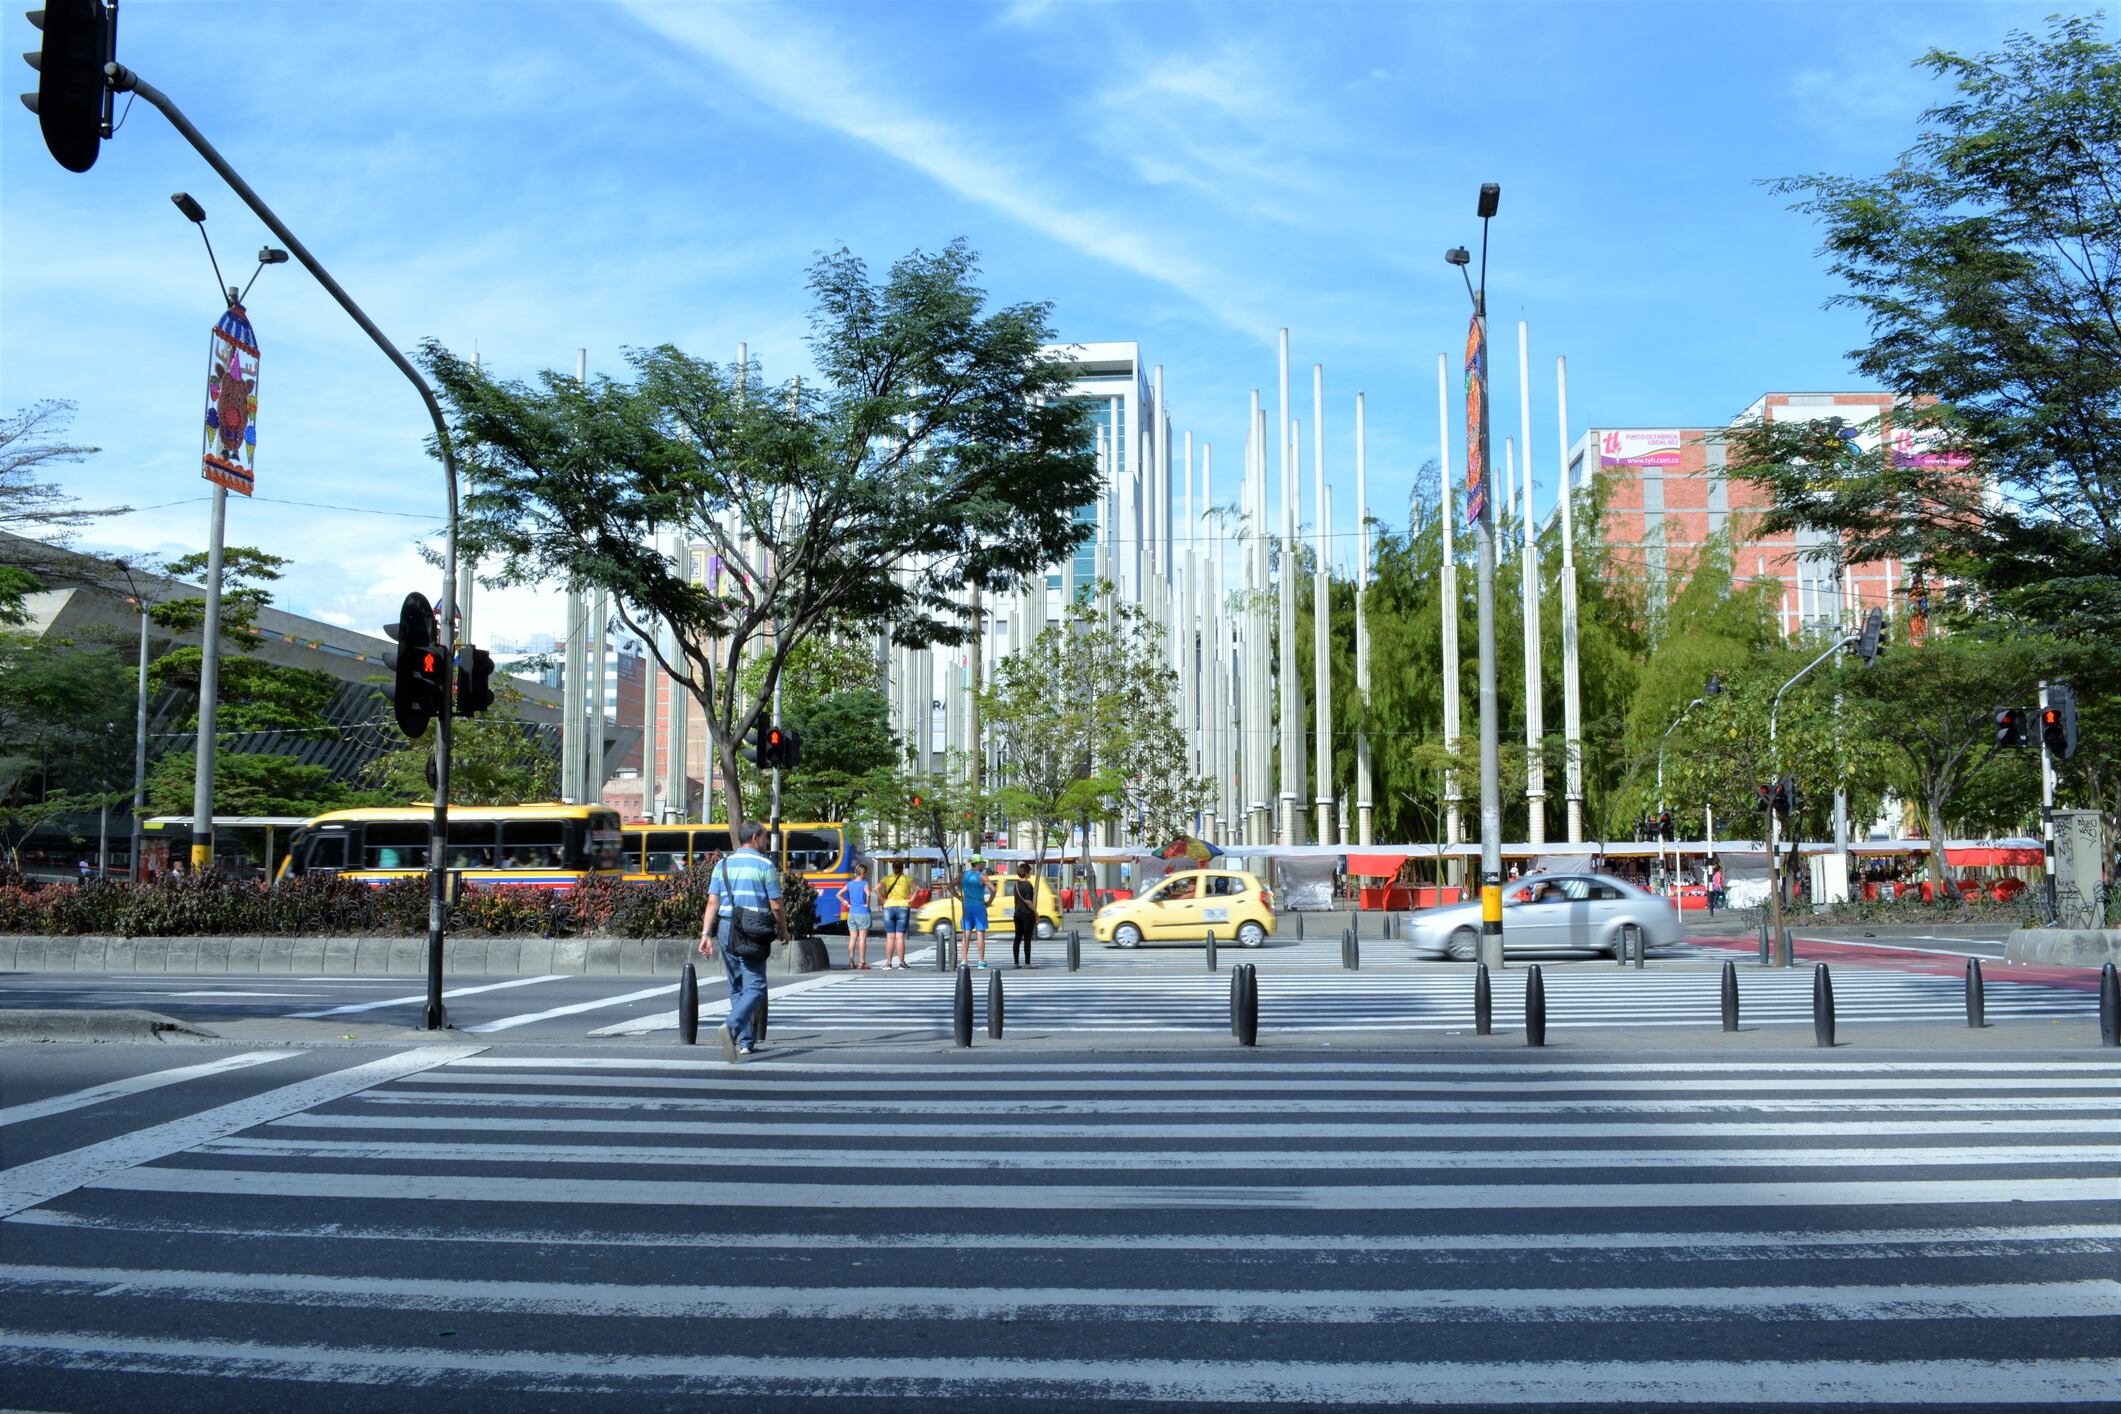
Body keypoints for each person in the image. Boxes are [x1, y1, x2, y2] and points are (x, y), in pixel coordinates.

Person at [698, 819, 787, 1061]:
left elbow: (712, 902)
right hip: (753, 928)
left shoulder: (723, 865)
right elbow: (776, 905)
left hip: (726, 927)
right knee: (756, 986)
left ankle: (746, 1041)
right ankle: (732, 1026)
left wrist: (706, 934)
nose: (767, 841)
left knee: (737, 985)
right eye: (766, 836)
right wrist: (784, 930)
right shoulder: (765, 865)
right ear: (756, 837)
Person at [880, 861, 913, 970]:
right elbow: (918, 889)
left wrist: (882, 899)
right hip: (903, 906)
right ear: (902, 868)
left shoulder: (887, 878)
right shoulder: (906, 879)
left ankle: (888, 963)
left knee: (890, 937)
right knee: (900, 937)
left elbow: (876, 888)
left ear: (893, 868)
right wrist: (911, 899)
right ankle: (901, 962)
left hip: (888, 906)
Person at [959, 854, 991, 968]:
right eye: (983, 863)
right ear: (978, 864)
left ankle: (964, 960)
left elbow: (950, 886)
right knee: (980, 934)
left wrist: (959, 897)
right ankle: (981, 961)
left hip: (967, 907)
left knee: (966, 933)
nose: (984, 865)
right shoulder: (982, 876)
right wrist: (990, 901)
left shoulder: (963, 875)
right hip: (979, 906)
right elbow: (993, 889)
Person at [844, 862, 874, 970]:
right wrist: (867, 904)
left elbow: (838, 894)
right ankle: (862, 962)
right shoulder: (864, 883)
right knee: (862, 939)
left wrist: (846, 903)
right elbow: (869, 894)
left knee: (852, 938)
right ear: (863, 873)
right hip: (862, 912)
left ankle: (851, 962)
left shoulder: (850, 884)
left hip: (851, 913)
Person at [1010, 861, 1038, 968]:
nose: (1031, 873)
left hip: (1017, 914)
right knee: (1027, 939)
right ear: (1026, 873)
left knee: (1017, 938)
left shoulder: (1016, 884)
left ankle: (1016, 962)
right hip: (1027, 914)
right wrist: (1035, 912)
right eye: (1030, 871)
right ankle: (1027, 963)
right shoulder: (1028, 885)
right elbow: (1028, 901)